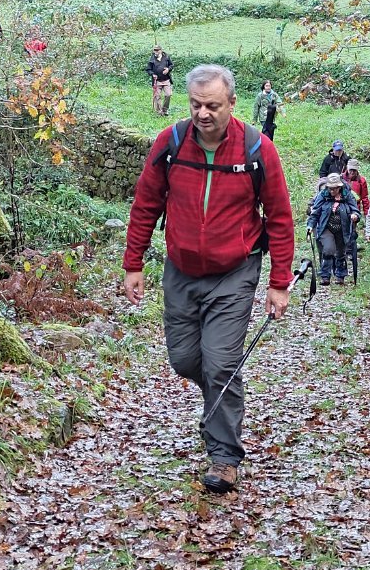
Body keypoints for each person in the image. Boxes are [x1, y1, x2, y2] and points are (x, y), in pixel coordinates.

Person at [122, 64, 294, 495]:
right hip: (180, 270)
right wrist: (133, 263)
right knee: (184, 360)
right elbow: (145, 203)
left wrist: (279, 282)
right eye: (196, 104)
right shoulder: (171, 143)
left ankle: (225, 457)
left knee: (220, 364)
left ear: (232, 103)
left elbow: (279, 217)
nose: (202, 113)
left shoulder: (257, 149)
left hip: (235, 272)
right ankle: (221, 393)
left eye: (212, 105)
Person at [307, 172, 359, 286]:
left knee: (340, 252)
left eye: (334, 188)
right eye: (330, 188)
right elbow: (315, 212)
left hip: (343, 228)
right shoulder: (322, 195)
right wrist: (310, 226)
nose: (331, 191)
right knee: (329, 249)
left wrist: (355, 215)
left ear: (339, 187)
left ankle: (340, 276)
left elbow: (355, 209)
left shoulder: (347, 195)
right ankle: (325, 276)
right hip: (326, 227)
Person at [147, 45, 175, 116]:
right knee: (157, 96)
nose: (156, 52)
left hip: (166, 80)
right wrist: (152, 74)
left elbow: (171, 65)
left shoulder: (166, 57)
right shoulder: (152, 59)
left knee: (168, 94)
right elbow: (148, 69)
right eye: (155, 50)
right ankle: (159, 112)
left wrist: (168, 69)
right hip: (157, 81)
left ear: (161, 50)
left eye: (157, 50)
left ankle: (165, 110)